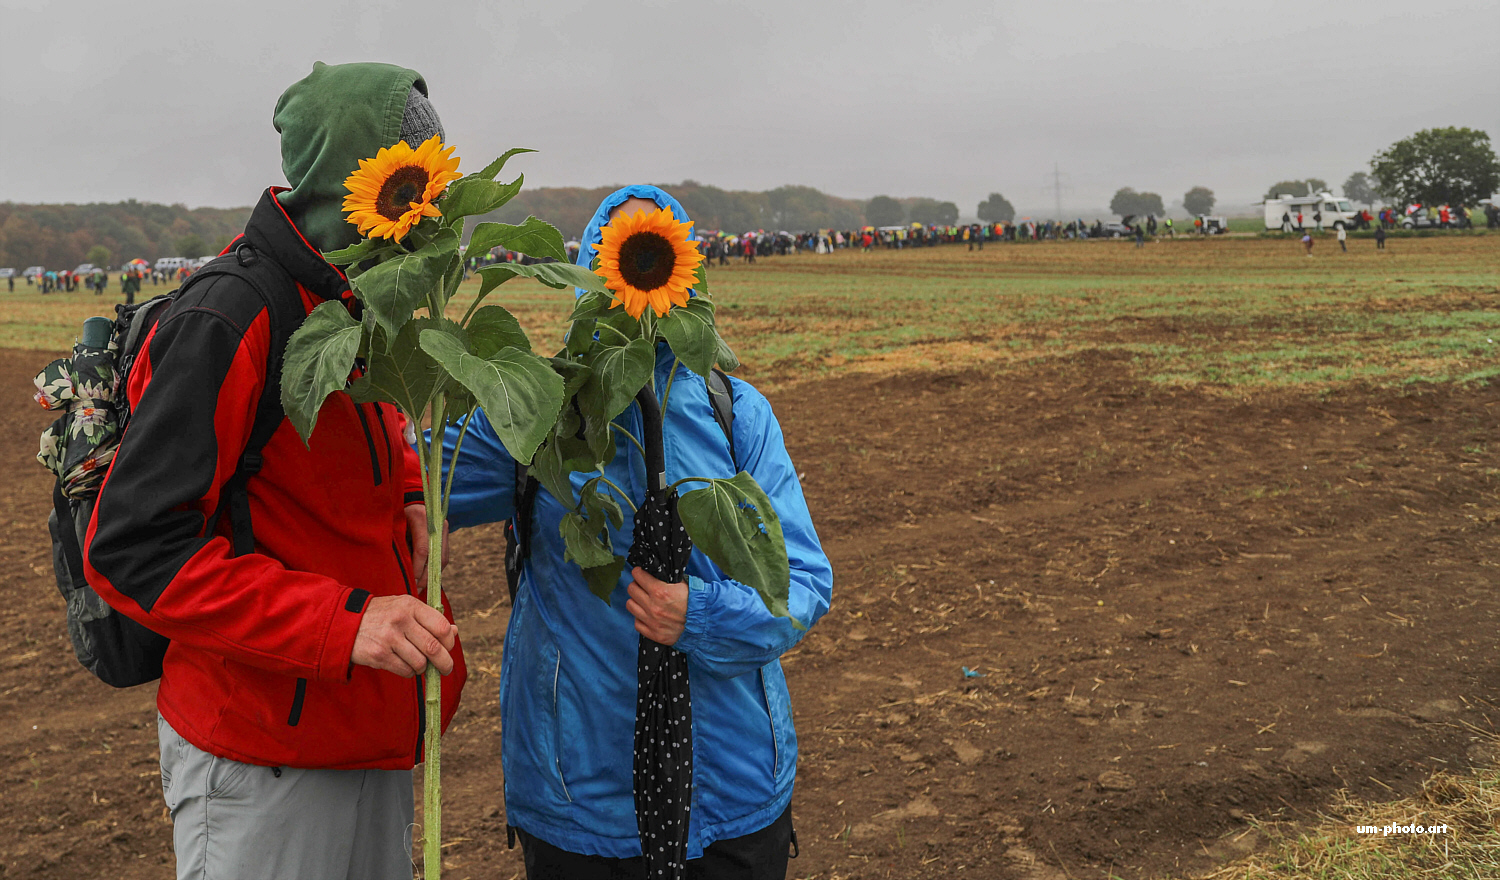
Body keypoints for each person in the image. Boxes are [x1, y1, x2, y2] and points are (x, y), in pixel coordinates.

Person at [83, 61, 467, 880]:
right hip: (264, 758)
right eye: (411, 184)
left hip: (364, 729)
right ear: (353, 179)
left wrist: (407, 494)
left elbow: (368, 427)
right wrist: (346, 624)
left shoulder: (354, 295)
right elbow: (135, 549)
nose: (427, 211)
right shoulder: (231, 313)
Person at [442, 185, 832, 880]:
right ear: (590, 277)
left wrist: (700, 616)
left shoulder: (737, 415)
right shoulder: (536, 410)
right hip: (580, 801)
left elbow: (800, 587)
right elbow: (409, 473)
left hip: (732, 793)